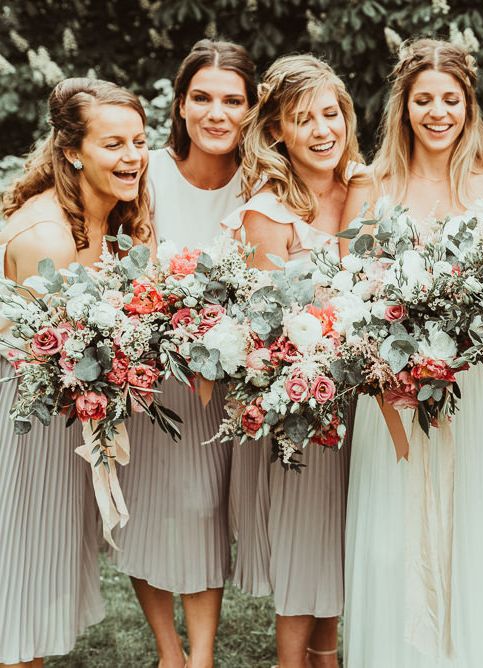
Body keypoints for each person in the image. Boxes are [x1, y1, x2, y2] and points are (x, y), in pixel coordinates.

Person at [341, 38, 483, 667]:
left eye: (451, 99)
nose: (437, 111)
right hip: (392, 389)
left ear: (468, 106)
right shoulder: (371, 185)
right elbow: (349, 293)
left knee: (476, 534)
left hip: (481, 392)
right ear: (404, 105)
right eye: (424, 99)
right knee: (393, 542)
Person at [110, 39, 255, 668]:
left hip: (228, 382)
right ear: (181, 105)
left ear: (251, 110)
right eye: (202, 98)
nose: (216, 112)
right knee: (142, 509)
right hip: (152, 372)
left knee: (204, 509)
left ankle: (199, 658)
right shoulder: (148, 175)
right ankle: (170, 652)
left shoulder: (262, 183)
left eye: (231, 100)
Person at [0, 77, 151, 667]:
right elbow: (38, 358)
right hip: (23, 425)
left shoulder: (111, 217)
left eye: (138, 141)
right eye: (113, 144)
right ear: (71, 151)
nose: (133, 156)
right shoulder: (49, 238)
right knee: (18, 584)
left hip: (60, 425)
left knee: (36, 584)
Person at [222, 54, 361, 668]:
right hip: (300, 401)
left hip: (362, 394)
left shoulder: (365, 186)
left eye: (331, 114)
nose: (322, 130)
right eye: (303, 120)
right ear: (277, 130)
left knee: (336, 538)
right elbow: (264, 331)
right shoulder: (267, 213)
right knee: (305, 536)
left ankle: (326, 655)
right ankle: (291, 660)